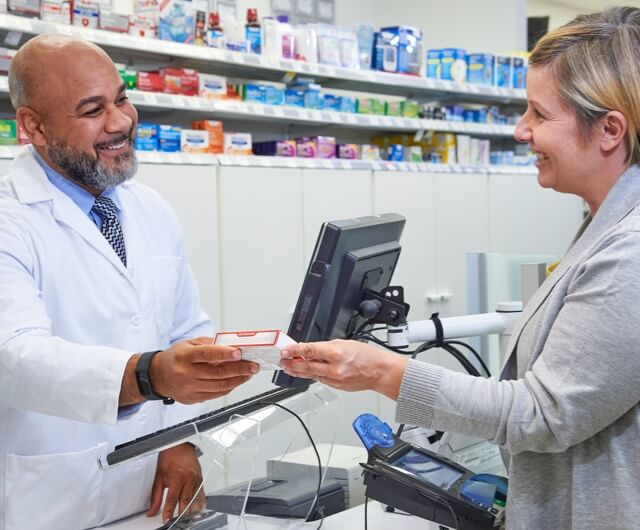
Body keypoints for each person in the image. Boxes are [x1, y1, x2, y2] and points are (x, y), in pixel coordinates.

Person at [281, 7, 640, 530]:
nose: (521, 130)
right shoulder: (604, 225)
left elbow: (543, 413)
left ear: (609, 130)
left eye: (539, 115)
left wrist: (383, 371)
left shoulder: (631, 249)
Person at [0, 35, 260, 530]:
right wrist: (149, 376)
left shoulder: (150, 209)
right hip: (43, 499)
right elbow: (14, 358)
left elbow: (184, 329)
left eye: (121, 98)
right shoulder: (9, 218)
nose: (120, 122)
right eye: (92, 109)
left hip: (145, 498)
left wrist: (180, 440)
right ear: (33, 126)